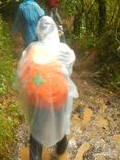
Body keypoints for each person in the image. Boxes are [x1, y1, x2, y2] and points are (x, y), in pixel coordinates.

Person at [16, 16, 78, 160]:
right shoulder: (64, 50)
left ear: (38, 31)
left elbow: (22, 74)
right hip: (60, 96)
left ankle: (35, 157)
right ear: (55, 31)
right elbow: (68, 69)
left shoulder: (31, 49)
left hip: (36, 97)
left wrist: (38, 82)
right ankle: (61, 152)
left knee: (36, 129)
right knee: (60, 123)